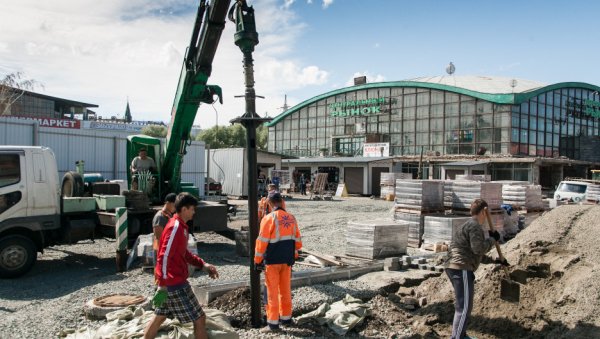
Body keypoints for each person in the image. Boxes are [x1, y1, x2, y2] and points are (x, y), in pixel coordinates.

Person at [144, 193, 219, 339]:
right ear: (184, 209)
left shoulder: (180, 226)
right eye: (192, 209)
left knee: (159, 317)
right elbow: (164, 255)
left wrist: (203, 265)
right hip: (174, 283)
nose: (194, 212)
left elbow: (183, 253)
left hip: (168, 283)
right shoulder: (176, 227)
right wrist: (163, 282)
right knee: (199, 318)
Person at [444, 199, 504, 339]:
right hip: (461, 268)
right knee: (464, 307)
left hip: (456, 266)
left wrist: (496, 260)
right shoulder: (474, 226)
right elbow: (478, 249)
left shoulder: (468, 225)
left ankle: (460, 334)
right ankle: (457, 337)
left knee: (464, 306)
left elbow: (476, 254)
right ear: (484, 211)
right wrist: (492, 240)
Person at [254, 192, 302, 333]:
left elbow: (261, 242)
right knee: (285, 290)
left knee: (271, 292)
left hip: (273, 261)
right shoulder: (292, 218)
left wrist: (257, 261)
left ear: (269, 203)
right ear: (281, 202)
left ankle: (272, 324)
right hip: (287, 261)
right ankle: (286, 319)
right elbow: (298, 243)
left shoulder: (268, 218)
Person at [151, 193, 177, 264]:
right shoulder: (159, 217)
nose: (176, 207)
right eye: (174, 204)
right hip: (161, 252)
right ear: (168, 203)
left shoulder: (169, 215)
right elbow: (159, 237)